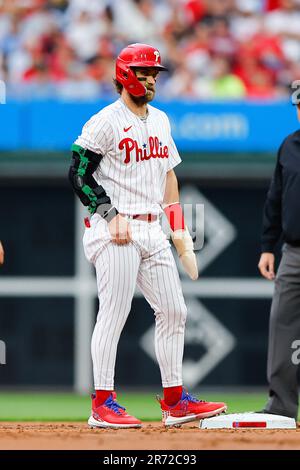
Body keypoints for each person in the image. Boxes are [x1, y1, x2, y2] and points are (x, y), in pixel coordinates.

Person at [69, 43, 227, 428]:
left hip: (151, 225)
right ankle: (102, 403)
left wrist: (178, 230)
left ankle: (174, 401)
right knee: (115, 312)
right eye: (144, 72)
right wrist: (108, 212)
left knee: (175, 310)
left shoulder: (160, 120)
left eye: (155, 73)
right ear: (125, 74)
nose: (152, 78)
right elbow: (77, 171)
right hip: (115, 229)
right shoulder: (105, 120)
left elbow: (168, 176)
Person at [258, 99, 300, 421]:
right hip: (294, 253)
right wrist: (268, 246)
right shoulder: (289, 145)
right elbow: (275, 198)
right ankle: (282, 407)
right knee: (281, 325)